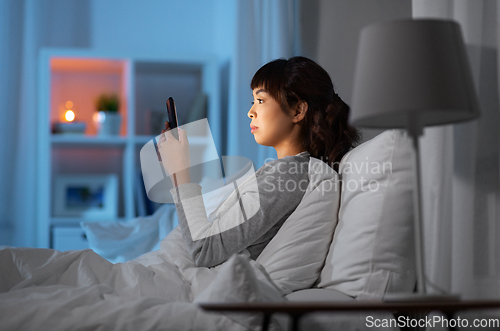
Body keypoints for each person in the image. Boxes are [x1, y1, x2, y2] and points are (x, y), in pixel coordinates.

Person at [158, 56, 360, 268]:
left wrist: (180, 172)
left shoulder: (288, 176)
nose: (250, 112)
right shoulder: (285, 171)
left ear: (298, 111)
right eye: (253, 101)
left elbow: (205, 251)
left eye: (261, 100)